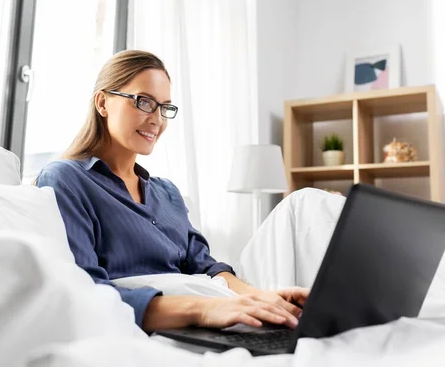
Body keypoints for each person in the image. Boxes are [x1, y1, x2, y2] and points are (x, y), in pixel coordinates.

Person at [35, 50, 309, 333]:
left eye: (164, 107)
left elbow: (204, 265)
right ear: (103, 103)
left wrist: (262, 297)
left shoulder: (167, 193)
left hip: (209, 313)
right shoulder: (66, 179)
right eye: (144, 102)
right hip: (168, 323)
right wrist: (204, 310)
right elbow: (85, 289)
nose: (157, 120)